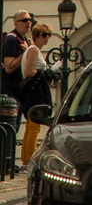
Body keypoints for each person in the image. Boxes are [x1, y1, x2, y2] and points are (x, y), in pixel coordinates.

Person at [18, 20, 54, 166]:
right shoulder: (33, 50)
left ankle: (26, 160)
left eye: (49, 35)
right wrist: (46, 73)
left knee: (30, 127)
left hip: (32, 90)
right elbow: (28, 72)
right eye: (44, 35)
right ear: (36, 36)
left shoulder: (33, 50)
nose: (47, 38)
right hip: (35, 92)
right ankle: (30, 162)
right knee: (34, 127)